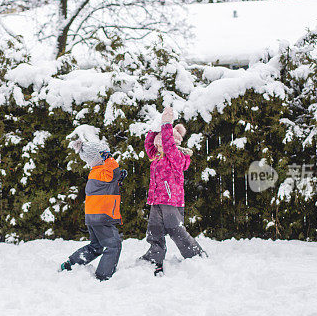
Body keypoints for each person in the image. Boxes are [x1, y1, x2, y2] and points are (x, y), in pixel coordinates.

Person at [141, 107, 207, 276]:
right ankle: (154, 257)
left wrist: (167, 124)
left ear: (172, 142)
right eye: (157, 142)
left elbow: (168, 143)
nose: (157, 144)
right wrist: (156, 127)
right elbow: (148, 144)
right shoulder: (157, 156)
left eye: (160, 142)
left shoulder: (176, 156)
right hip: (157, 200)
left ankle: (196, 255)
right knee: (154, 230)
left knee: (176, 230)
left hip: (172, 201)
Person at [59, 138, 127, 281]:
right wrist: (110, 159)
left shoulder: (96, 173)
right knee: (114, 245)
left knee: (96, 246)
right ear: (99, 157)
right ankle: (103, 276)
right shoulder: (102, 171)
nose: (108, 156)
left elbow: (108, 185)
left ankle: (71, 263)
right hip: (102, 216)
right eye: (104, 155)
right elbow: (113, 170)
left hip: (93, 216)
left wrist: (118, 180)